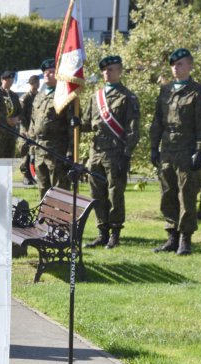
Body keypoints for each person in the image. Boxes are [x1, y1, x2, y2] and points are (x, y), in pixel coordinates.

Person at [150, 48, 201, 255]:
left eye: (180, 64)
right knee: (167, 192)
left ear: (190, 66)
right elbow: (157, 122)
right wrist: (153, 147)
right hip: (167, 149)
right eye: (173, 65)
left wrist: (200, 150)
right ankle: (171, 236)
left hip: (187, 149)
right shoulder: (165, 90)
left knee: (187, 193)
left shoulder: (198, 92)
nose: (176, 68)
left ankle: (185, 238)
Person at [81, 55, 140, 249]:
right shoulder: (95, 97)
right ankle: (102, 231)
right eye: (105, 70)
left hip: (116, 153)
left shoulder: (127, 97)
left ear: (120, 71)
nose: (107, 73)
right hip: (96, 152)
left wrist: (127, 153)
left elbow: (133, 129)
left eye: (112, 69)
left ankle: (115, 232)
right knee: (96, 193)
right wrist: (76, 121)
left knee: (115, 194)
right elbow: (88, 124)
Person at [29, 58, 73, 199]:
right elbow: (33, 123)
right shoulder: (39, 97)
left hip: (57, 150)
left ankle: (60, 221)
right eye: (45, 72)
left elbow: (72, 127)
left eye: (51, 72)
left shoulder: (65, 97)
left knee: (59, 190)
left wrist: (70, 153)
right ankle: (45, 220)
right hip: (39, 148)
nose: (47, 75)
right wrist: (31, 150)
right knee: (43, 188)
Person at [18, 75, 40, 185]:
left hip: (35, 129)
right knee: (25, 153)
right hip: (26, 130)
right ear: (31, 83)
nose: (38, 84)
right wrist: (25, 130)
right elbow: (21, 116)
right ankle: (26, 176)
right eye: (35, 82)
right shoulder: (25, 98)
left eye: (38, 82)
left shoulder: (40, 96)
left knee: (34, 153)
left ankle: (34, 175)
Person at [0, 70, 21, 158]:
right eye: (7, 79)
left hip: (11, 131)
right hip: (0, 131)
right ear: (1, 80)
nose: (10, 81)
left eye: (11, 79)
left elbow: (19, 111)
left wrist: (15, 119)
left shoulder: (14, 95)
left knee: (9, 156)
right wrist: (6, 119)